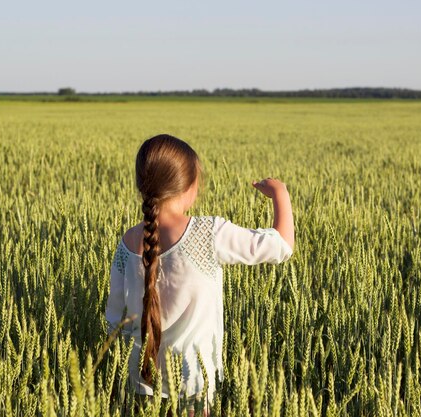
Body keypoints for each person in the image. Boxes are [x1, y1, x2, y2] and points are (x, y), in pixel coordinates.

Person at [105, 134, 294, 416]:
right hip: (193, 377)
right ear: (190, 187)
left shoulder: (127, 243)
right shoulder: (208, 234)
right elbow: (280, 245)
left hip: (140, 379)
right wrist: (280, 193)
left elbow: (114, 320)